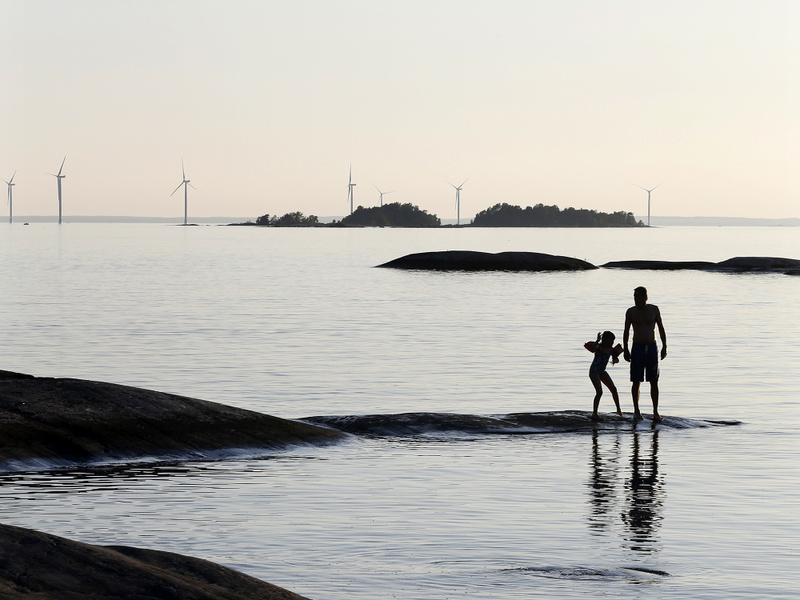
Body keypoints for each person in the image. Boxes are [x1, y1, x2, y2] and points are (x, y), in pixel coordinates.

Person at [623, 286, 667, 422]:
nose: (635, 300)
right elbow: (626, 331)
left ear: (645, 297)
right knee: (636, 380)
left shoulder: (654, 310)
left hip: (651, 347)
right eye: (634, 297)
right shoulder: (631, 312)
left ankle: (655, 411)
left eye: (638, 297)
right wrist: (625, 349)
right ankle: (636, 411)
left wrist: (664, 346)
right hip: (637, 347)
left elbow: (661, 328)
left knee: (654, 380)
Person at [584, 331, 624, 420]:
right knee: (599, 392)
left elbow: (616, 359)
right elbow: (592, 350)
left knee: (614, 389)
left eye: (612, 341)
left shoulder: (611, 350)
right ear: (604, 340)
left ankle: (618, 410)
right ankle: (594, 413)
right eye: (610, 340)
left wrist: (615, 360)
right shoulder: (599, 347)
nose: (611, 342)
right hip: (594, 371)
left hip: (602, 372)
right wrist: (597, 340)